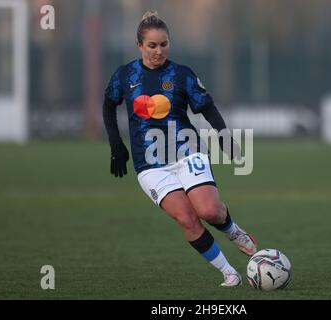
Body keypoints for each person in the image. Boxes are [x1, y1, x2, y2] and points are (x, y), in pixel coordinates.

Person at [102, 10, 257, 287]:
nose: (158, 51)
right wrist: (116, 145)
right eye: (152, 45)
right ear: (139, 45)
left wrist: (223, 136)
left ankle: (233, 230)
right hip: (149, 164)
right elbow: (108, 104)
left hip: (187, 151)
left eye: (164, 44)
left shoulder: (181, 74)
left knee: (210, 211)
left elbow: (206, 107)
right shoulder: (125, 75)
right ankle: (229, 272)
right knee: (187, 218)